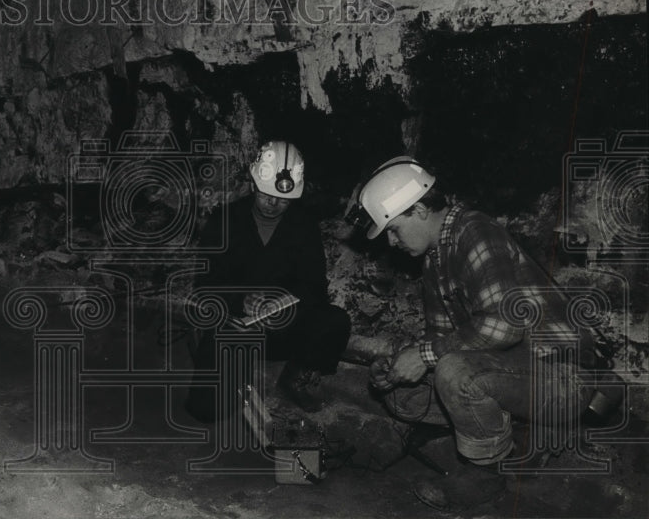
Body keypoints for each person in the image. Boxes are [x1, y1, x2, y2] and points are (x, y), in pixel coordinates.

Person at [353, 157, 595, 509]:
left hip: (563, 375)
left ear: (419, 210)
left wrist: (424, 356)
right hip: (510, 371)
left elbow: (504, 323)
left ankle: (485, 476)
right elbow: (442, 338)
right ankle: (515, 437)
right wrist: (397, 367)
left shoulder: (475, 231)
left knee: (455, 372)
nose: (391, 242)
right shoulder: (434, 261)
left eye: (393, 229)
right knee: (403, 396)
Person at [185, 140, 351, 422]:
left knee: (335, 321)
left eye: (283, 199)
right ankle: (230, 381)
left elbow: (314, 288)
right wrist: (241, 302)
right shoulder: (225, 220)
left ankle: (294, 376)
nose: (274, 204)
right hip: (237, 328)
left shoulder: (303, 226)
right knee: (207, 411)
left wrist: (283, 306)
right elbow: (205, 286)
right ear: (252, 185)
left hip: (284, 326)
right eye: (266, 195)